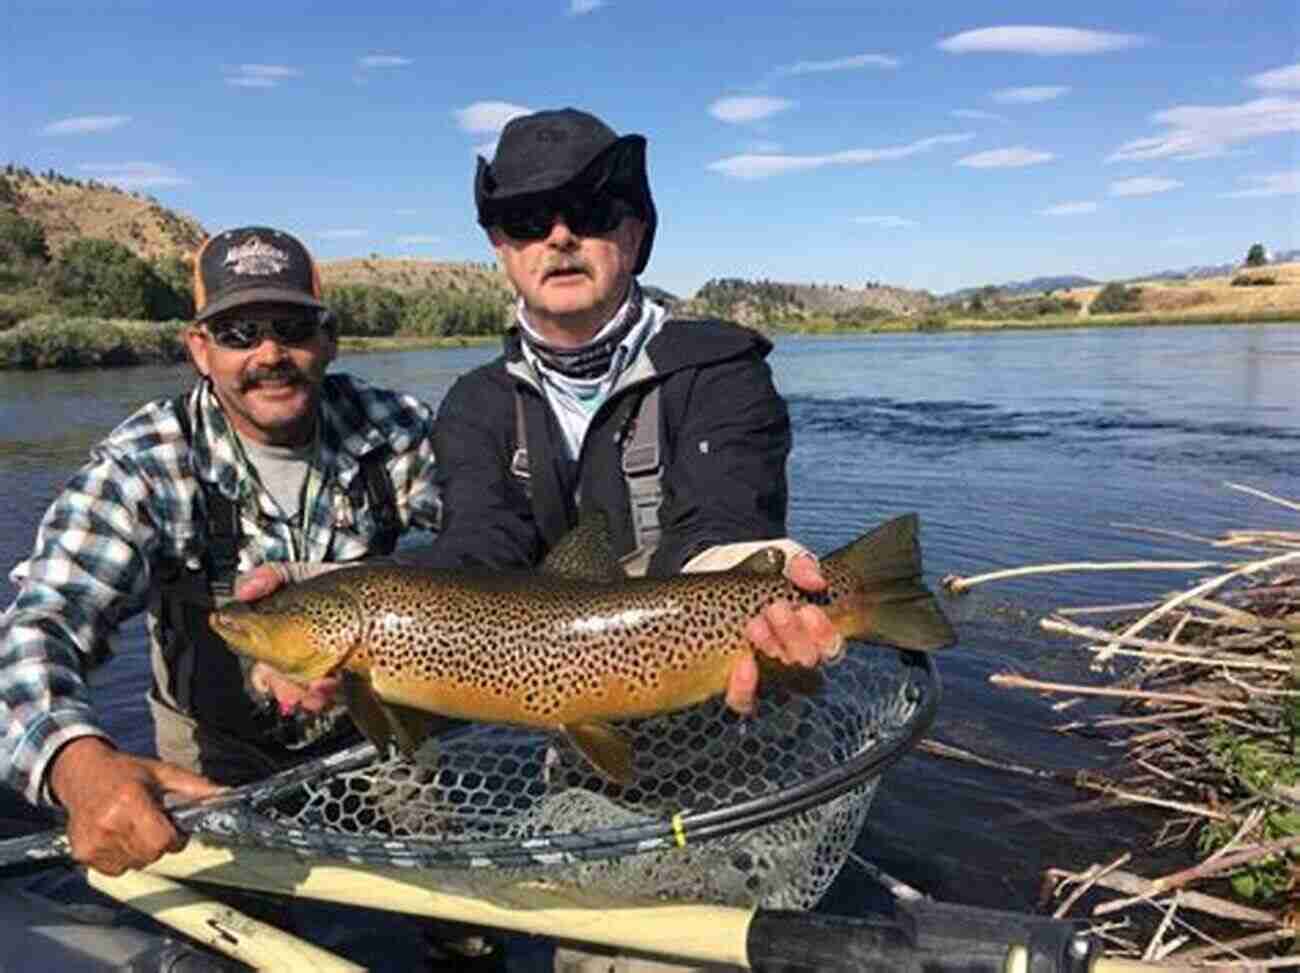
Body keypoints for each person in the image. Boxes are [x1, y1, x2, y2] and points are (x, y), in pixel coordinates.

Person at [0, 225, 440, 877]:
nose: (270, 353)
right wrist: (75, 762)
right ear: (200, 349)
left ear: (329, 339)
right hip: (215, 757)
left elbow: (491, 549)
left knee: (460, 929)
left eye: (291, 326)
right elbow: (41, 623)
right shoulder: (148, 463)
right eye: (239, 333)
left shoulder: (396, 431)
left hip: (378, 734)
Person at [427, 107, 841, 714]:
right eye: (527, 220)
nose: (560, 237)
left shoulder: (720, 369)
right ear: (500, 247)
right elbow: (478, 546)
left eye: (590, 212)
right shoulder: (473, 405)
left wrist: (763, 581)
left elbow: (720, 523)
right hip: (575, 708)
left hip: (731, 699)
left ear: (637, 233)